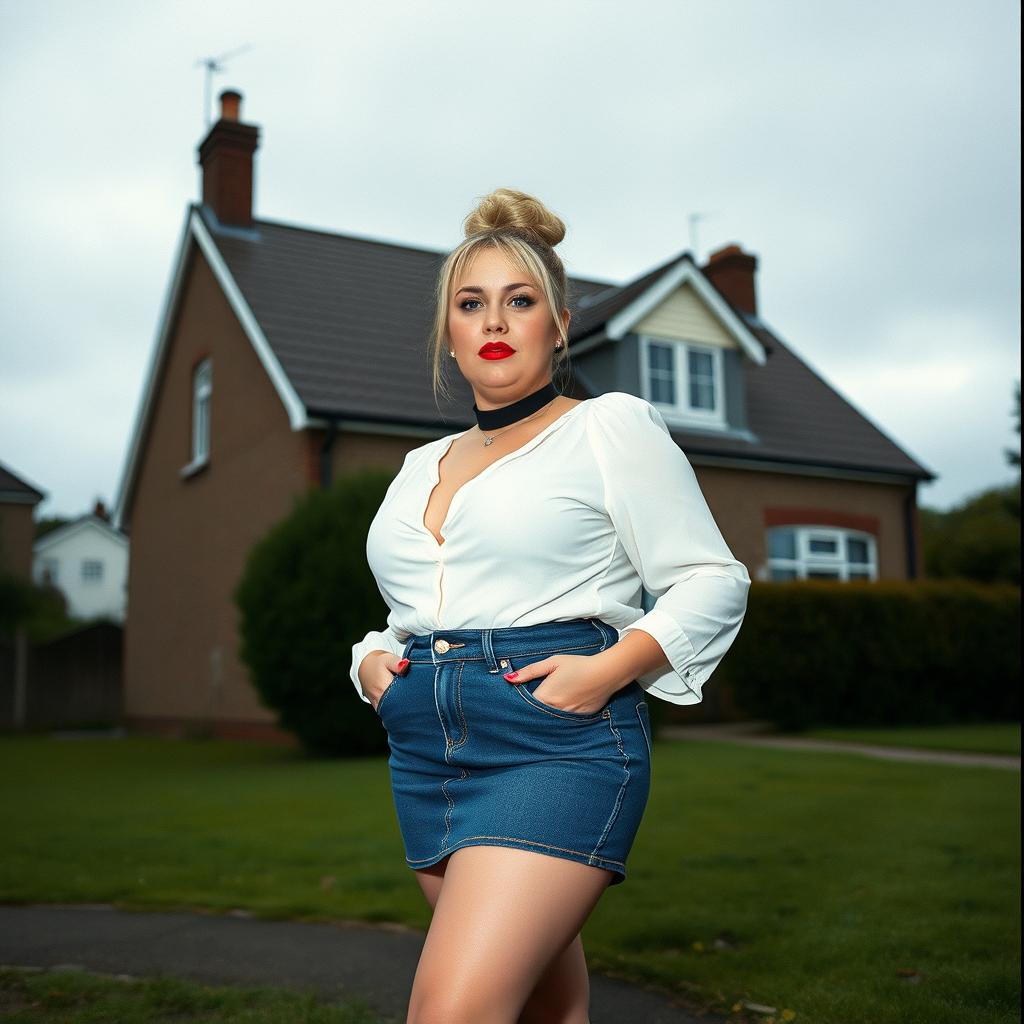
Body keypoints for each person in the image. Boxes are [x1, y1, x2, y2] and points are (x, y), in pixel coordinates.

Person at [350, 187, 751, 1024]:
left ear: (558, 323)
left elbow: (713, 579)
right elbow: (419, 606)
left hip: (552, 741)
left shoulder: (608, 428)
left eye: (519, 300)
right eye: (471, 303)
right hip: (426, 751)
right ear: (449, 334)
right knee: (542, 1010)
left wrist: (609, 669)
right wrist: (369, 660)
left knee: (451, 1011)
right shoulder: (418, 463)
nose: (494, 319)